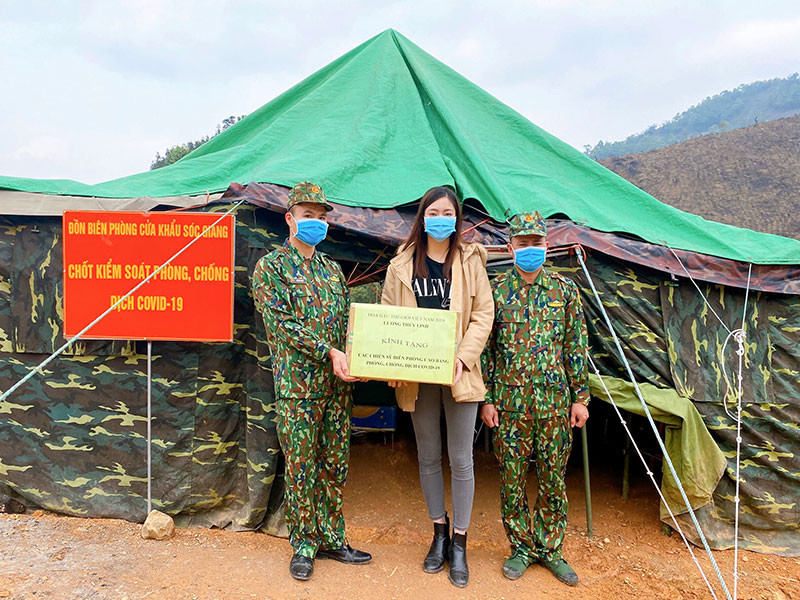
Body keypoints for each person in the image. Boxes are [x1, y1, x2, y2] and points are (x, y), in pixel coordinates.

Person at [251, 181, 371, 581]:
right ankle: (304, 543)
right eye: (308, 216)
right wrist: (330, 352)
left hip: (337, 388)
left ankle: (333, 537)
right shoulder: (271, 268)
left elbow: (345, 328)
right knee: (301, 466)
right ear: (290, 219)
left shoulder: (332, 271)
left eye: (321, 217)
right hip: (298, 389)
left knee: (334, 464)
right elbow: (282, 325)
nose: (316, 223)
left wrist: (361, 356)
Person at [381, 186, 494, 588]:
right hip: (418, 374)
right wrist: (390, 360)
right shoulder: (402, 265)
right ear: (423, 217)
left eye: (448, 212)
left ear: (457, 217)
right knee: (428, 456)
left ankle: (460, 542)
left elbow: (483, 315)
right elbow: (389, 319)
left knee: (461, 459)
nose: (441, 218)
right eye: (434, 211)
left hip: (460, 374)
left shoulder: (470, 260)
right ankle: (439, 534)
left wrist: (464, 358)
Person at [481, 210, 590, 586]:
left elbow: (576, 346)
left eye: (536, 242)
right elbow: (487, 350)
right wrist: (487, 399)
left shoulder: (565, 290)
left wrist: (581, 398)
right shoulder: (495, 291)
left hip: (555, 403)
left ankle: (549, 548)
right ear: (511, 247)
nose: (530, 248)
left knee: (552, 477)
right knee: (511, 477)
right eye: (523, 243)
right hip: (509, 405)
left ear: (547, 245)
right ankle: (521, 547)